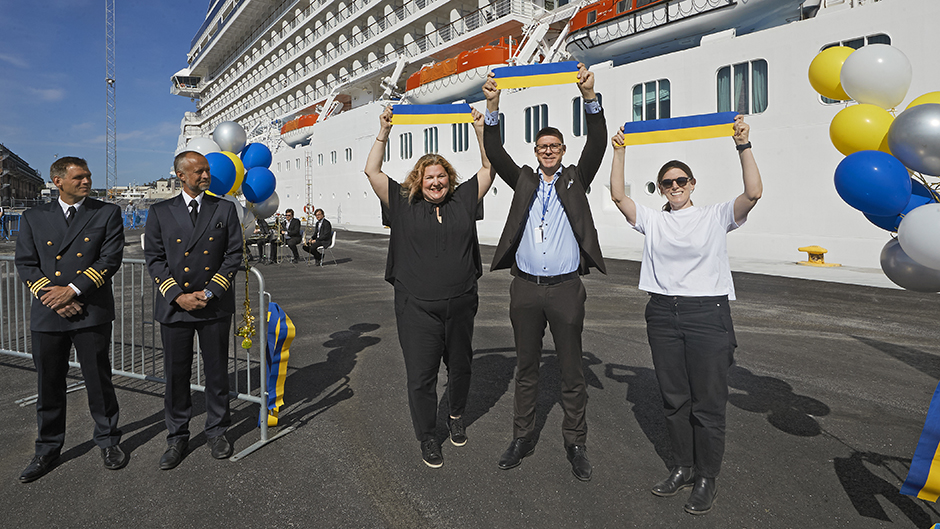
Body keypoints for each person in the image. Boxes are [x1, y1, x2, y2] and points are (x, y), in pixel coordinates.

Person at [608, 116, 761, 514]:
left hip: (707, 313)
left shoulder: (715, 216)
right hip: (662, 312)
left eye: (681, 181)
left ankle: (707, 476)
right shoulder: (655, 221)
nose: (674, 187)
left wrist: (742, 146)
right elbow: (618, 198)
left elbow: (754, 192)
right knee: (674, 399)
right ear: (661, 189)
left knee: (707, 402)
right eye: (667, 183)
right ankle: (683, 467)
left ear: (692, 184)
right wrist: (619, 151)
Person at [482, 64, 606, 482]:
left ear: (563, 151)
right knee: (526, 368)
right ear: (535, 152)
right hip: (526, 290)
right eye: (542, 146)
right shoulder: (523, 181)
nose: (548, 150)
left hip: (567, 289)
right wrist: (493, 104)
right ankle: (521, 437)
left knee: (571, 371)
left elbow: (599, 142)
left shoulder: (575, 179)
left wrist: (590, 97)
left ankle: (576, 442)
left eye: (554, 145)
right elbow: (495, 151)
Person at [363, 105, 493, 468]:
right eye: (428, 177)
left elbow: (487, 169)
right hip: (417, 307)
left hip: (461, 303)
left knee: (462, 367)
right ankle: (428, 435)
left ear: (449, 178)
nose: (435, 182)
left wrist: (480, 130)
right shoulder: (403, 204)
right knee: (421, 377)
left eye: (441, 176)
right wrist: (384, 131)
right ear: (418, 181)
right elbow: (372, 171)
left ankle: (455, 415)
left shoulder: (463, 199)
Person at [14, 156, 126, 483]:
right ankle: (47, 448)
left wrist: (73, 291)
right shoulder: (35, 217)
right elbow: (26, 262)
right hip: (49, 313)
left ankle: (108, 440)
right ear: (58, 181)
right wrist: (55, 298)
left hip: (91, 310)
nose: (86, 182)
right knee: (49, 385)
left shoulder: (106, 212)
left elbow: (110, 259)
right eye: (79, 177)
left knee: (99, 381)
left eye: (88, 176)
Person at [144, 151, 242, 470]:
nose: (206, 175)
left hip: (213, 305)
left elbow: (233, 254)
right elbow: (155, 259)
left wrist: (210, 291)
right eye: (199, 171)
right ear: (180, 176)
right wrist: (177, 295)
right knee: (176, 375)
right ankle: (177, 437)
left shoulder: (224, 209)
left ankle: (216, 431)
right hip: (176, 308)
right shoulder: (160, 212)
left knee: (216, 374)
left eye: (207, 170)